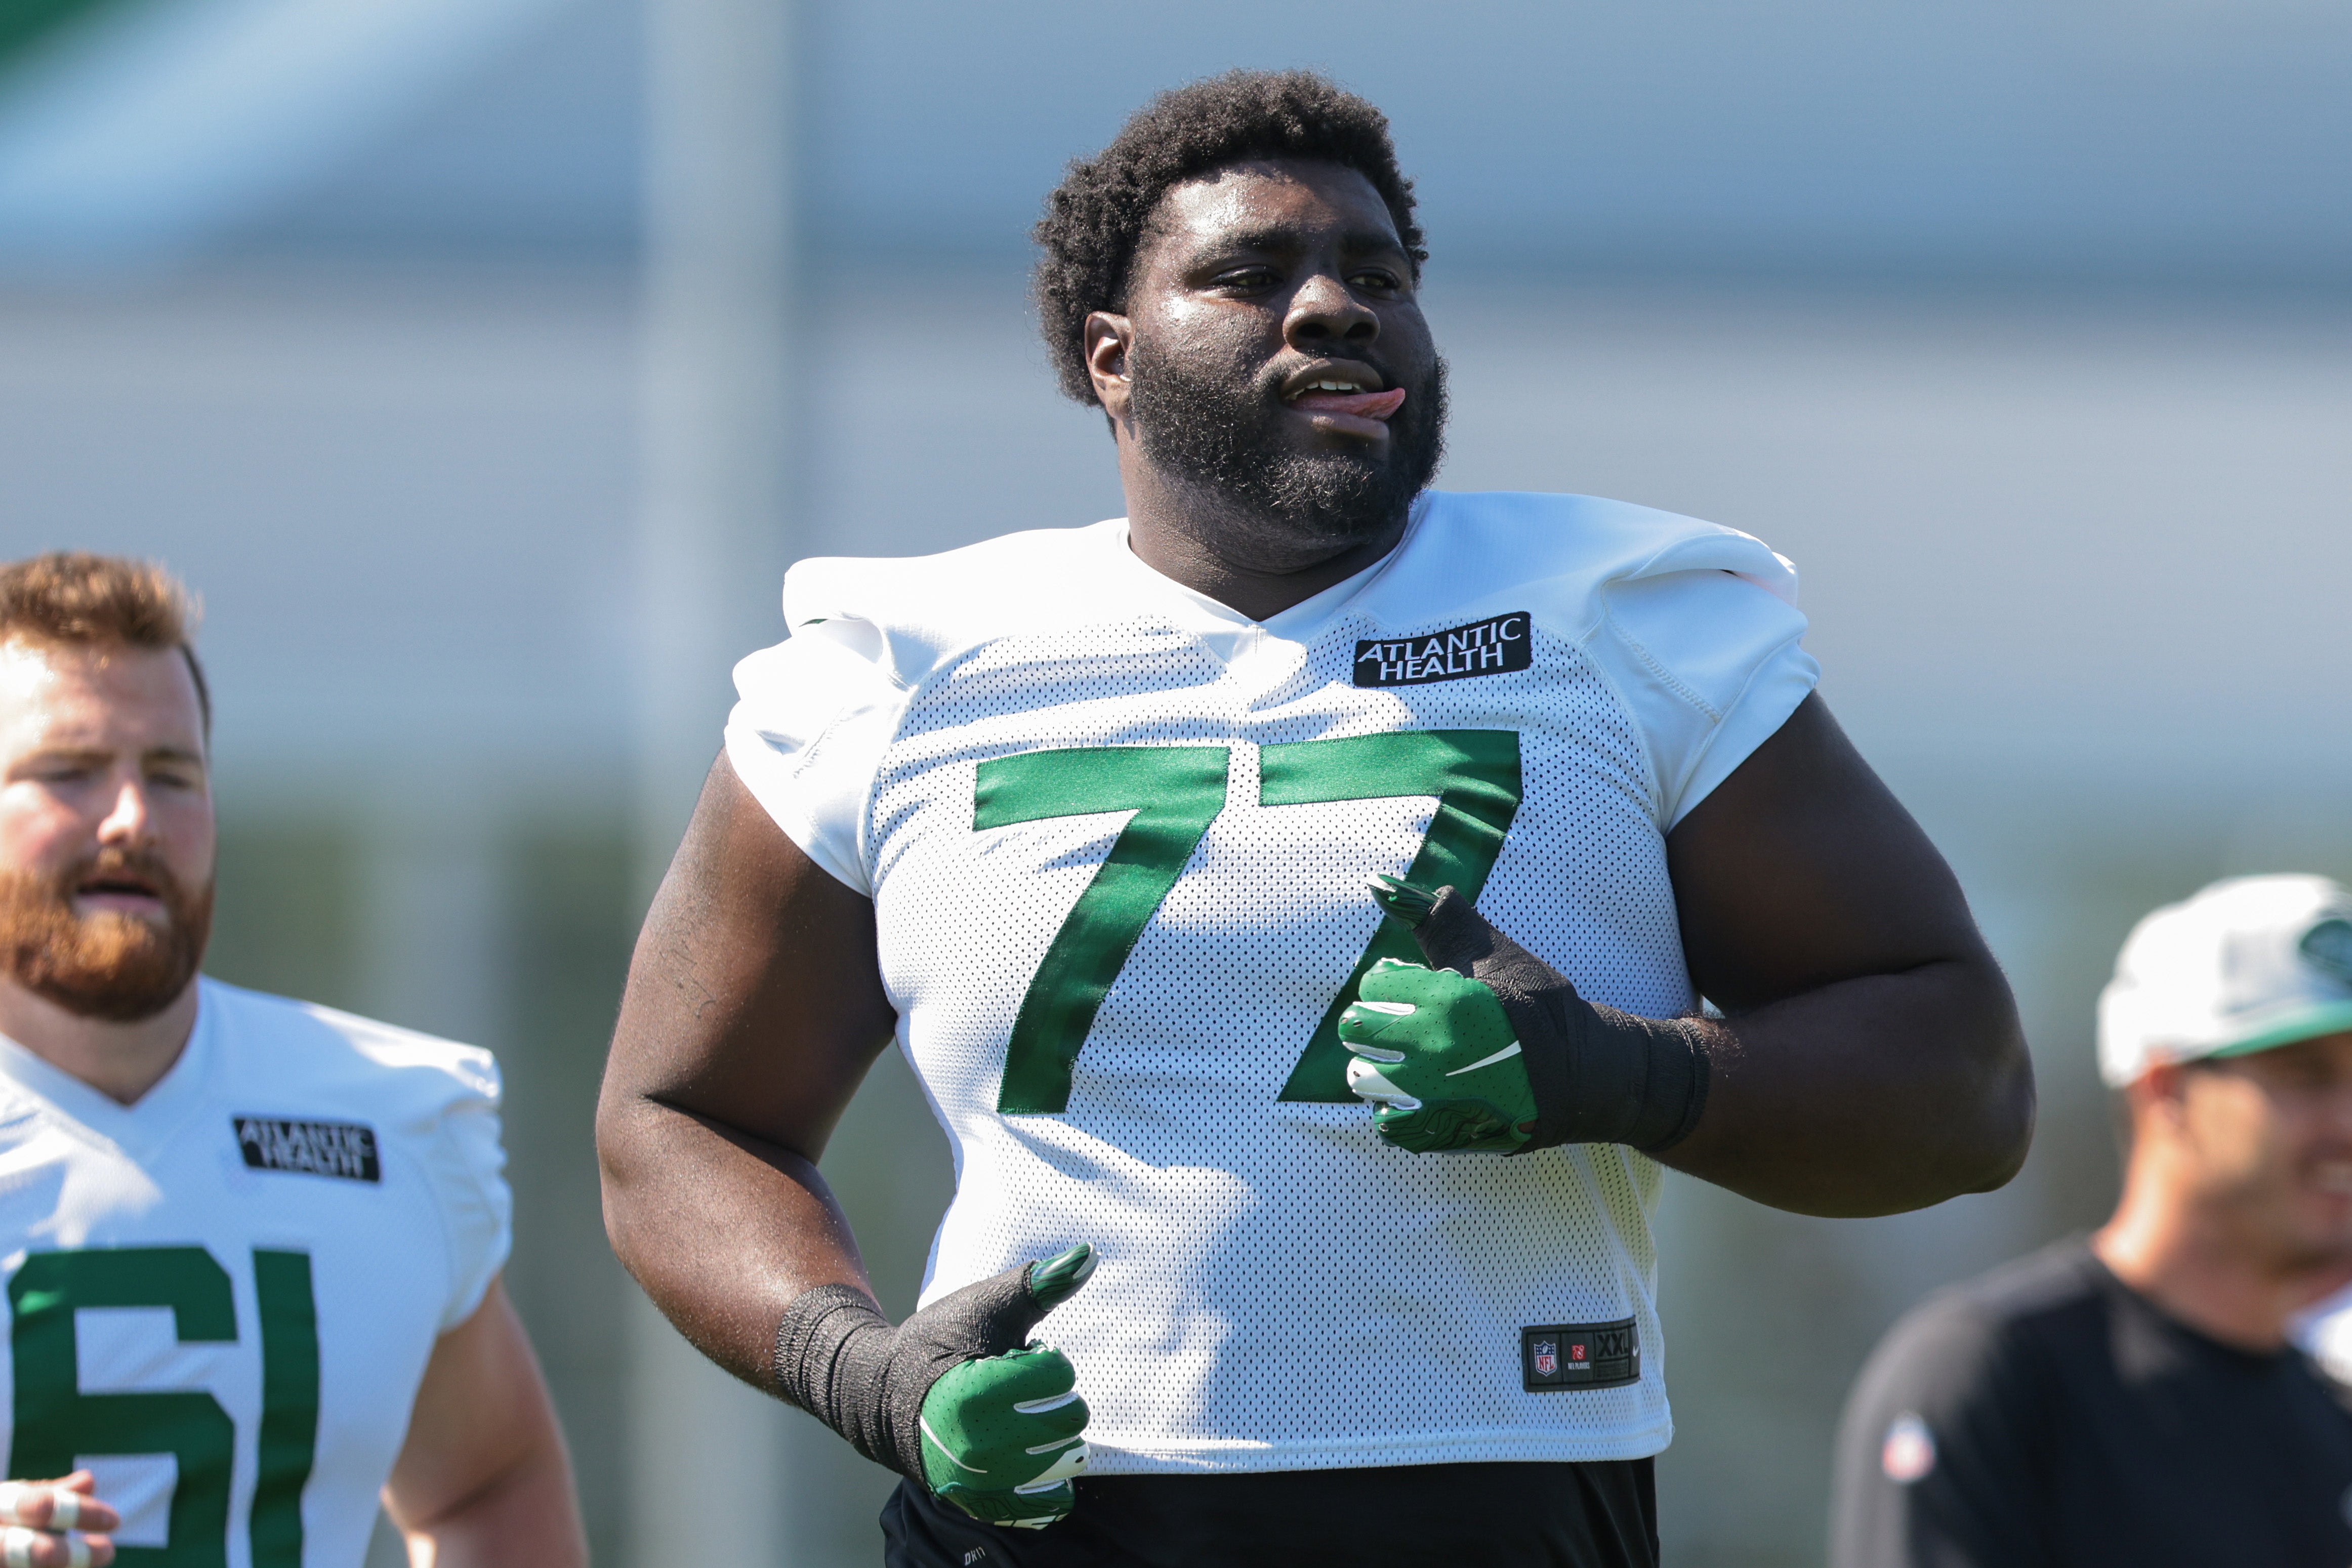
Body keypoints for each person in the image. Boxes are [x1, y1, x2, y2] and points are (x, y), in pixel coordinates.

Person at [597, 70, 2033, 1568]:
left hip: (1498, 1491)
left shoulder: (1622, 623)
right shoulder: (900, 665)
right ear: (1112, 356)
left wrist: (1623, 1074)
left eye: (1381, 275)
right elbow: (677, 1116)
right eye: (1251, 273)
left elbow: (1967, 1076)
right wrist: (863, 1368)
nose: (1339, 304)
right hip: (1046, 1517)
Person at [0, 553, 586, 1568]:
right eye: (71, 770)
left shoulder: (388, 1114)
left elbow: (487, 1482)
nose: (134, 817)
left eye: (172, 774)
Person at [1830, 873, 2352, 1568]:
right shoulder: (1991, 1371)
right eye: (2306, 1075)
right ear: (2168, 1092)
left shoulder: (2332, 1417)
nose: (2348, 1120)